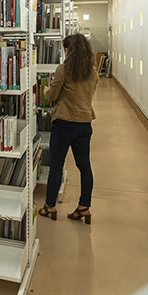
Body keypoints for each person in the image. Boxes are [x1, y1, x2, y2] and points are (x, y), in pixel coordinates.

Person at [38, 33, 98, 224]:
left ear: (68, 50)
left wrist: (47, 91)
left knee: (56, 166)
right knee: (85, 166)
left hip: (64, 123)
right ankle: (84, 208)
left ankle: (50, 206)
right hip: (84, 124)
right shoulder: (94, 71)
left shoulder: (63, 70)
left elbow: (53, 96)